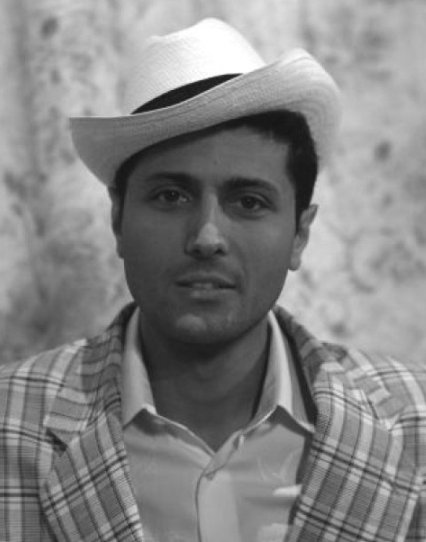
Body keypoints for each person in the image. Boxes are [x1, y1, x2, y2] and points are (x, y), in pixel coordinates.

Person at [0, 17, 425, 542]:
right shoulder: (11, 423)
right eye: (170, 196)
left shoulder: (414, 423)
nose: (206, 237)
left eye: (249, 202)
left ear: (299, 234)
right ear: (118, 220)